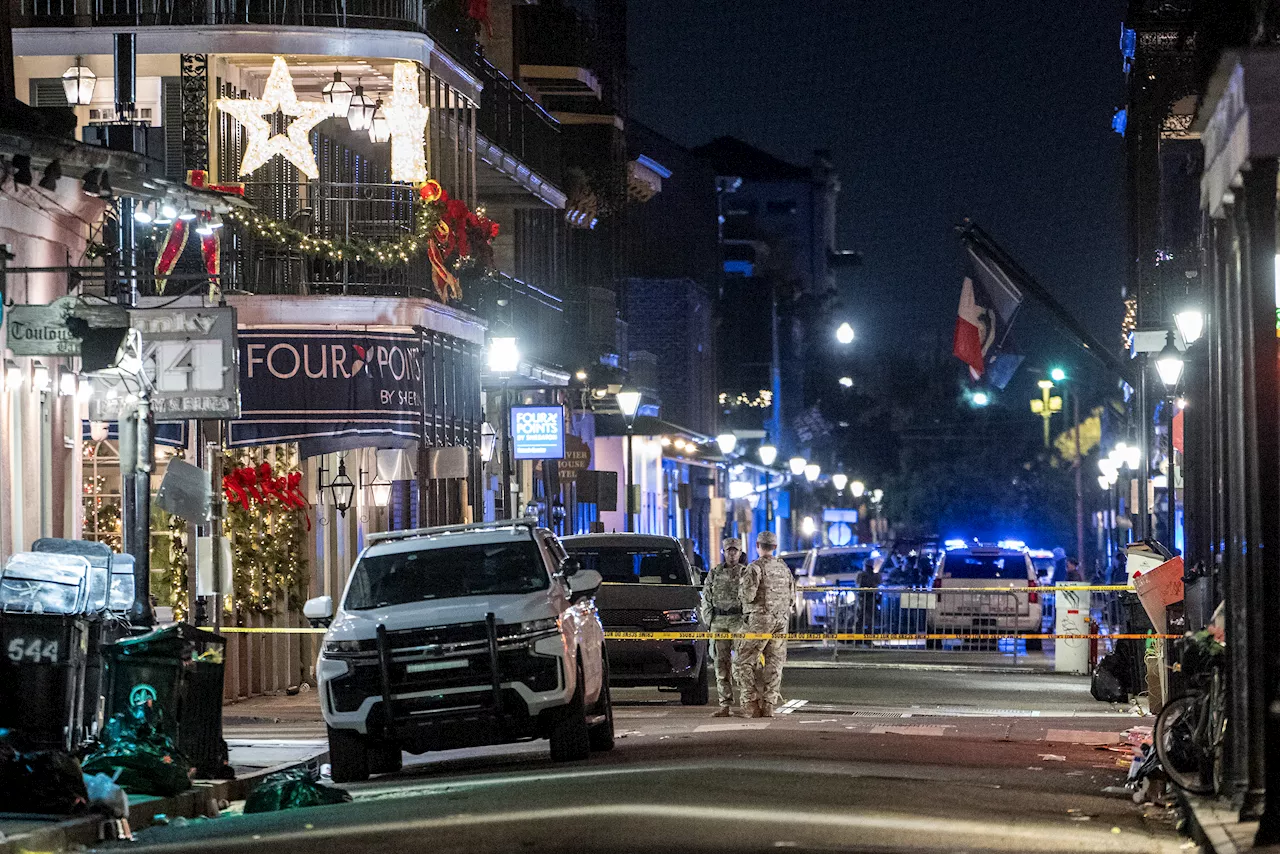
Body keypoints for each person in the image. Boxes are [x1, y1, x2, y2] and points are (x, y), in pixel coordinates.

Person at [732, 530, 795, 717]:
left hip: (759, 621)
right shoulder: (784, 568)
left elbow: (747, 596)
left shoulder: (755, 568)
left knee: (742, 661)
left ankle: (750, 703)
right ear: (775, 547)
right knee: (774, 663)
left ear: (757, 546)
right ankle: (769, 705)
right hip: (781, 621)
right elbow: (792, 598)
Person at [700, 538, 746, 716]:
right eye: (729, 550)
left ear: (740, 553)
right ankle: (725, 704)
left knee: (742, 663)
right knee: (720, 662)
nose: (732, 554)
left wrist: (748, 621)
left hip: (738, 621)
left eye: (735, 551)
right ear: (724, 552)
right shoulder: (715, 573)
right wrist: (709, 621)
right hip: (719, 621)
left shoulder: (745, 573)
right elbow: (707, 597)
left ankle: (746, 702)